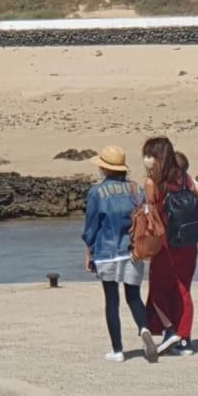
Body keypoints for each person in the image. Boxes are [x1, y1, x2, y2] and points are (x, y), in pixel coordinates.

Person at [141, 136, 198, 356]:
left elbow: (152, 214)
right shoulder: (185, 178)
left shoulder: (154, 182)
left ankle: (169, 331)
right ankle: (185, 340)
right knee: (183, 289)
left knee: (158, 290)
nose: (146, 160)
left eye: (149, 155)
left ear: (157, 157)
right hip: (189, 241)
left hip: (166, 243)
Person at [82, 146, 158, 364]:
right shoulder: (135, 189)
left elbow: (92, 225)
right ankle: (144, 329)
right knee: (134, 297)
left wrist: (89, 250)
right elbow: (144, 218)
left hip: (106, 252)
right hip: (132, 251)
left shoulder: (96, 192)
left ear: (104, 169)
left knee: (111, 300)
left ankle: (117, 350)